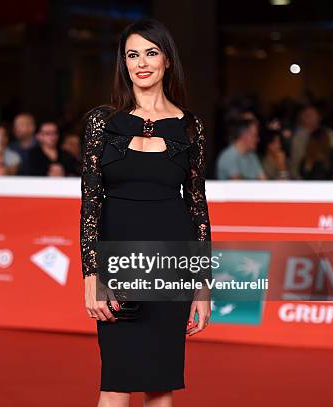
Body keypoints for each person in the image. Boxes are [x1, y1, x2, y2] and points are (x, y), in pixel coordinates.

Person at [80, 18, 211, 406]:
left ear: (167, 60)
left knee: (160, 383)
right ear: (123, 63)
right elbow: (90, 202)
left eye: (150, 53)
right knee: (116, 384)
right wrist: (91, 274)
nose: (141, 63)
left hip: (172, 260)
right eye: (132, 54)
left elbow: (198, 208)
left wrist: (202, 287)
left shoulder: (190, 127)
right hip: (118, 260)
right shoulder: (100, 122)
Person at [289, 104, 333, 179]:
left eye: (312, 114)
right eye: (306, 114)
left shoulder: (328, 133)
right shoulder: (297, 138)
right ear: (301, 117)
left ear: (319, 117)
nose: (309, 117)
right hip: (304, 179)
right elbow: (295, 162)